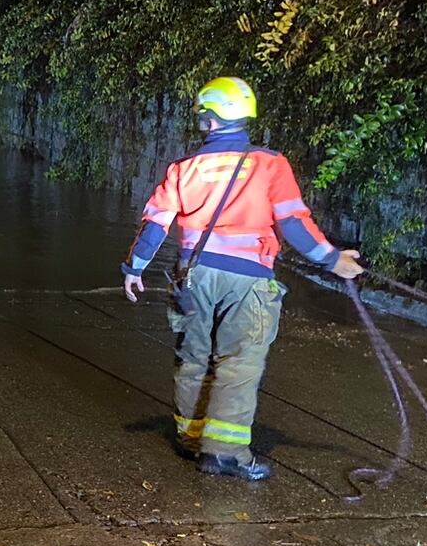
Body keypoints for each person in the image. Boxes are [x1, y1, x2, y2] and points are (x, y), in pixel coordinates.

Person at [121, 77, 364, 481]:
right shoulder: (270, 165)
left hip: (193, 277)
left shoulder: (184, 168)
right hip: (247, 280)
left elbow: (155, 224)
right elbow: (293, 223)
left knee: (193, 356)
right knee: (239, 362)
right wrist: (332, 260)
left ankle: (191, 438)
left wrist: (134, 269)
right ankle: (226, 454)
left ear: (208, 117)